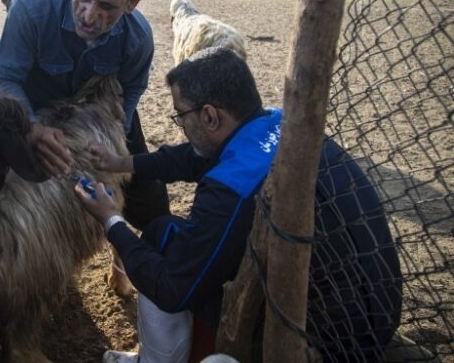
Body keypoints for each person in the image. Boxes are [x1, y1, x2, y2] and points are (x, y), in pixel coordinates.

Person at [75, 47, 403, 363]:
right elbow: (193, 156)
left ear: (210, 116)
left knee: (161, 238)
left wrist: (111, 220)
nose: (181, 127)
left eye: (181, 116)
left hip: (319, 345)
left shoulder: (229, 189)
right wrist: (123, 162)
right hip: (377, 315)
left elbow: (173, 289)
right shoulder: (279, 124)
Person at [0, 0, 169, 230]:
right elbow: (6, 78)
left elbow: (133, 88)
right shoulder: (31, 8)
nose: (89, 16)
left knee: (150, 201)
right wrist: (31, 127)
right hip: (33, 108)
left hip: (101, 111)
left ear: (132, 3)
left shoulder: (137, 38)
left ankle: (126, 260)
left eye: (107, 7)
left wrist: (116, 134)